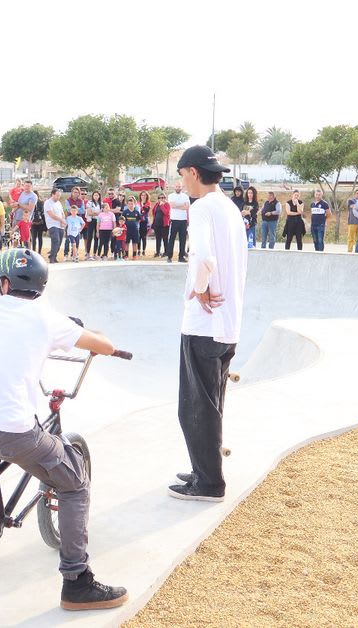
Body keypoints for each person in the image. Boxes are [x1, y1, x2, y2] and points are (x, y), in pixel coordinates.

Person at [0, 247, 128, 611]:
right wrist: (88, 333)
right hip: (11, 430)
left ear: (4, 283)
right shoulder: (47, 318)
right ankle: (77, 582)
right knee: (74, 483)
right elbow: (103, 345)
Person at [168, 145, 248, 502]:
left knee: (195, 407)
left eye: (182, 174)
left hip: (203, 325)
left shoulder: (201, 208)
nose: (181, 182)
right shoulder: (229, 208)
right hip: (228, 323)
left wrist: (200, 288)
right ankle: (204, 469)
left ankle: (209, 483)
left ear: (194, 173)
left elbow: (203, 257)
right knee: (212, 404)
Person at [166, 182, 190, 262]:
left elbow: (187, 207)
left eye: (179, 186)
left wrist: (177, 205)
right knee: (171, 238)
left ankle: (181, 257)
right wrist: (182, 205)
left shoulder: (185, 196)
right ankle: (169, 257)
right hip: (174, 220)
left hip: (183, 220)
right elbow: (172, 206)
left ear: (181, 187)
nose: (178, 188)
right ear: (174, 187)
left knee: (182, 239)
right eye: (177, 186)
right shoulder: (171, 196)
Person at [13, 180, 38, 255]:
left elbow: (30, 208)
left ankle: (28, 253)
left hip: (25, 221)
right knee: (16, 237)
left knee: (26, 238)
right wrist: (13, 210)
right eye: (25, 186)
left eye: (28, 186)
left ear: (31, 186)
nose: (27, 187)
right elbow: (18, 205)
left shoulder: (33, 196)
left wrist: (19, 204)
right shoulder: (22, 193)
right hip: (17, 218)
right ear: (23, 186)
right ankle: (15, 253)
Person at [44, 188, 66, 263]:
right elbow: (51, 215)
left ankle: (54, 256)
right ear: (52, 194)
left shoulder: (59, 203)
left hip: (60, 225)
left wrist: (63, 220)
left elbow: (62, 213)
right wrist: (61, 220)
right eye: (57, 195)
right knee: (56, 240)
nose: (58, 197)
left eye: (59, 196)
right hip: (52, 225)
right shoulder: (48, 203)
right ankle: (52, 258)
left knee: (59, 242)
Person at [151, 193, 170, 258]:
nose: (161, 199)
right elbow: (153, 211)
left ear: (165, 198)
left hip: (164, 225)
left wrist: (162, 205)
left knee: (165, 239)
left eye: (163, 197)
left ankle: (166, 252)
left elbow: (166, 212)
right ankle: (158, 252)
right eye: (159, 198)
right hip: (157, 224)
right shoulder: (157, 204)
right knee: (158, 239)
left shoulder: (167, 204)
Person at [84, 191, 102, 260]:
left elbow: (101, 213)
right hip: (91, 220)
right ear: (93, 196)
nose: (96, 197)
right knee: (89, 237)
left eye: (97, 195)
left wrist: (94, 213)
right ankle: (88, 253)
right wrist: (97, 213)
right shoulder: (90, 203)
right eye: (94, 195)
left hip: (98, 221)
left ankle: (94, 254)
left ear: (99, 196)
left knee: (96, 237)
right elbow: (89, 213)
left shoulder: (101, 203)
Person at [345, 188, 358, 252]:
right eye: (357, 193)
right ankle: (349, 251)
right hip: (352, 222)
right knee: (350, 238)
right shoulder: (351, 201)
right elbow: (354, 207)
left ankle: (357, 251)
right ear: (354, 194)